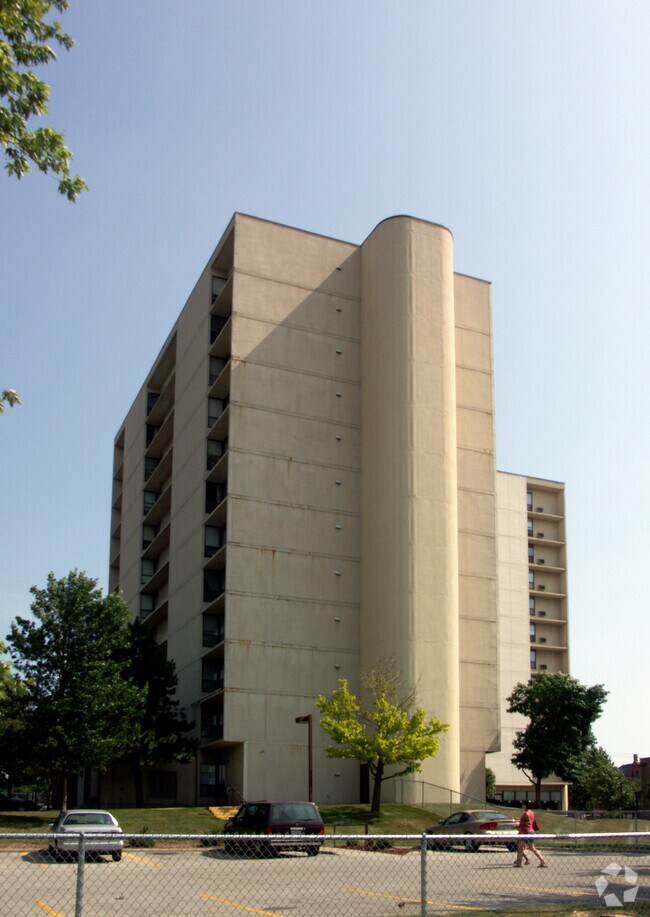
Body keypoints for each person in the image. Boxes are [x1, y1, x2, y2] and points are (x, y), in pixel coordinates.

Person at [514, 800, 546, 867]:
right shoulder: (531, 812)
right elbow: (531, 821)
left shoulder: (526, 813)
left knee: (520, 848)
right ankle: (542, 860)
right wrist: (520, 820)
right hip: (531, 832)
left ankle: (519, 864)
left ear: (525, 805)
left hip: (526, 832)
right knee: (532, 848)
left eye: (523, 804)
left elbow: (528, 822)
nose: (522, 805)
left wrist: (519, 823)